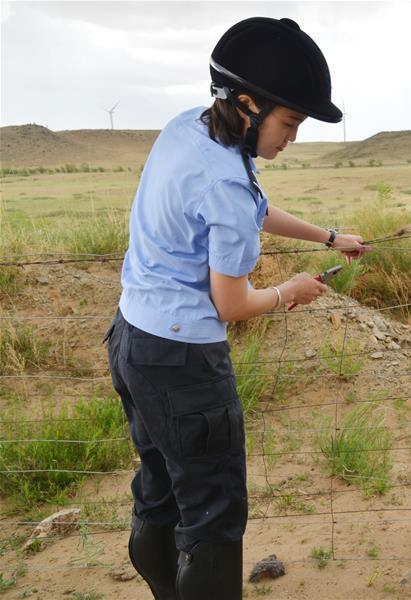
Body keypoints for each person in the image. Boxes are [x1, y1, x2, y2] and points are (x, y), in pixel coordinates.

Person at [104, 17, 368, 600]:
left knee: (160, 493)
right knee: (215, 516)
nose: (293, 137)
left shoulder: (190, 130)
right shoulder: (226, 177)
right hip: (184, 362)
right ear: (248, 104)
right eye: (290, 122)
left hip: (132, 341)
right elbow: (231, 302)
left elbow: (251, 207)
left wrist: (327, 237)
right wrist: (287, 293)